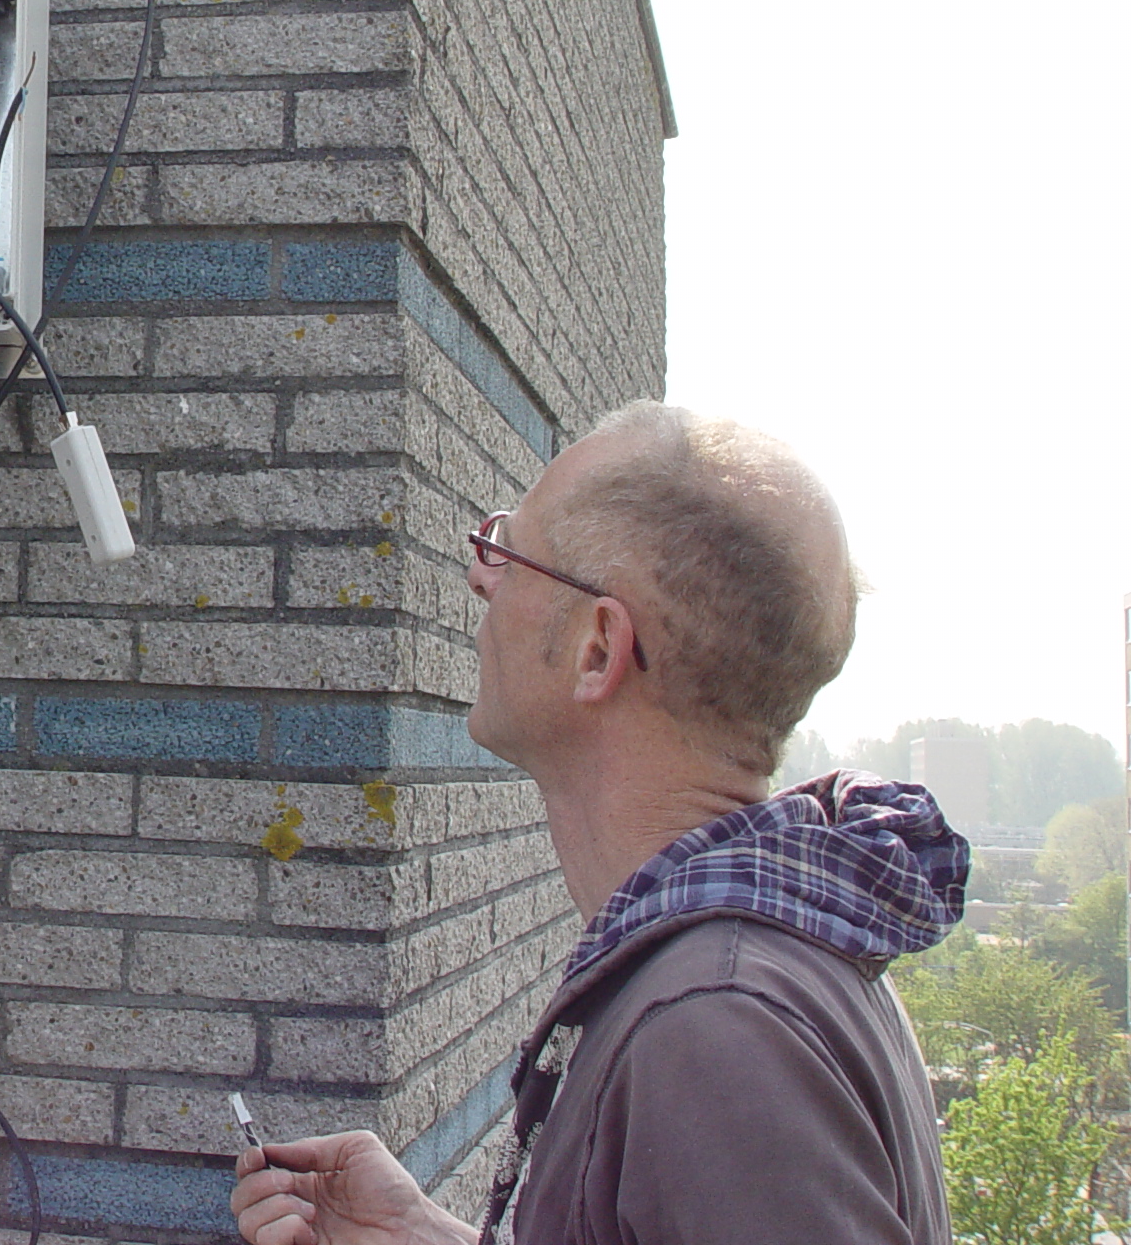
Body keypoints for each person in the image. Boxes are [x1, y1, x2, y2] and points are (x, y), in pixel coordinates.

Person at [231, 403, 966, 1245]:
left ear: (597, 649)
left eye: (510, 553)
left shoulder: (718, 1032)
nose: (479, 577)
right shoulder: (757, 974)